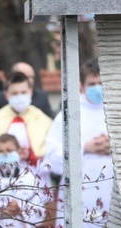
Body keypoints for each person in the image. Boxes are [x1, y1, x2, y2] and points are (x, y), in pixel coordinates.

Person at [45, 59, 114, 224]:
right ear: (81, 85)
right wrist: (84, 148)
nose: (98, 88)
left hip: (115, 199)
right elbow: (51, 157)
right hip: (79, 200)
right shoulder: (69, 114)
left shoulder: (117, 111)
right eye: (92, 83)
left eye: (101, 83)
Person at [0, 72, 52, 173]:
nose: (19, 97)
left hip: (36, 178)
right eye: (15, 93)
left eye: (23, 92)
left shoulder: (42, 120)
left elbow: (55, 158)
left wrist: (30, 156)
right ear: (6, 95)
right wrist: (4, 158)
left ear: (31, 92)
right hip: (1, 180)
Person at [0, 134, 47, 227]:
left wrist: (19, 208)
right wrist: (0, 212)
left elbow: (40, 210)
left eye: (9, 150)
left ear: (18, 151)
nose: (5, 154)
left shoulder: (29, 178)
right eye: (0, 151)